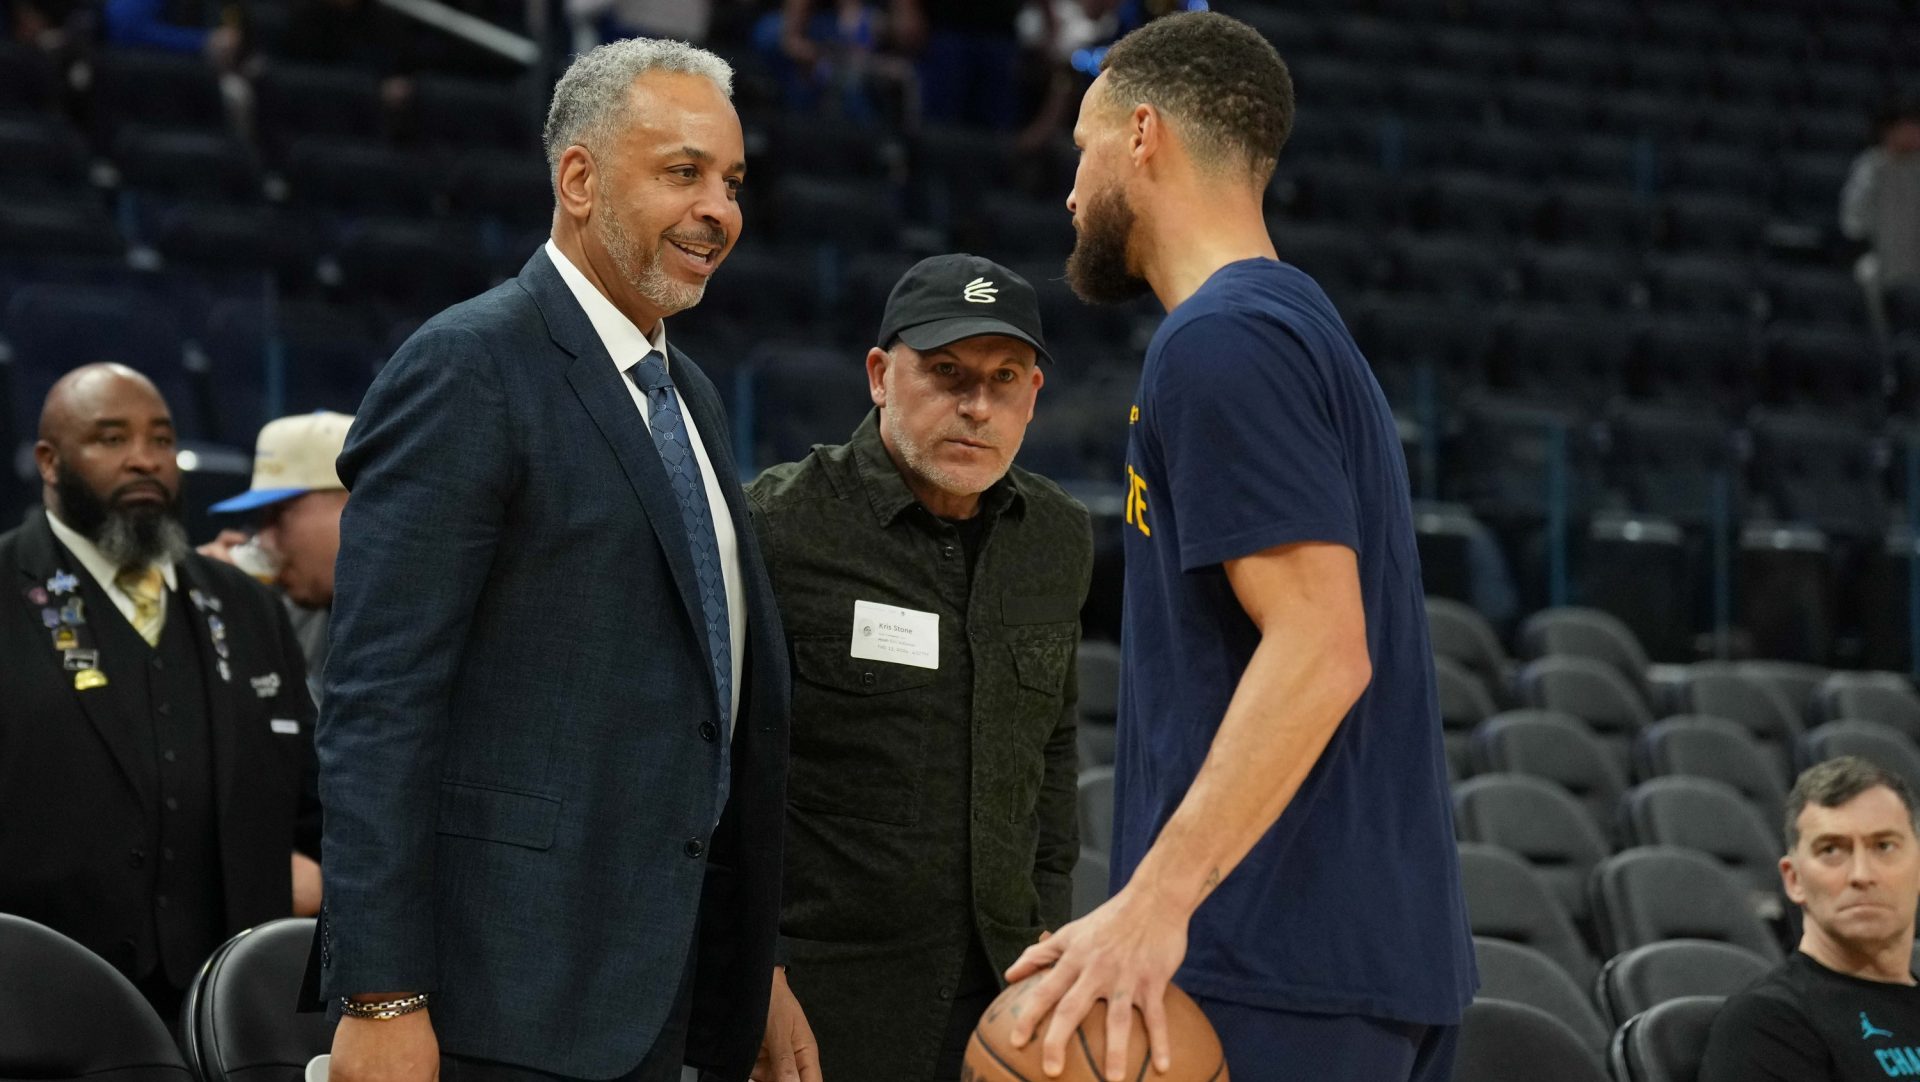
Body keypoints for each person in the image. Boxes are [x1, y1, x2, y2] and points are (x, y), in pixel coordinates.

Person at [998, 13, 1475, 1080]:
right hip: (1338, 954)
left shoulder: (1221, 339)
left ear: (1144, 136)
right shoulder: (1297, 325)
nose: (1069, 192)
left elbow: (1322, 647)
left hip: (1274, 953)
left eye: (1082, 145)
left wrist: (1151, 905)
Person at [312, 38, 792, 1082]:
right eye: (683, 172)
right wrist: (381, 990)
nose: (719, 207)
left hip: (658, 988)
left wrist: (756, 963)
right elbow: (378, 701)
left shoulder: (692, 396)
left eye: (731, 180)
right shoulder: (470, 364)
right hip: (495, 1003)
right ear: (579, 178)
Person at [746, 254, 1092, 1082]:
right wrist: (751, 973)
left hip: (999, 1000)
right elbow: (713, 773)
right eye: (946, 374)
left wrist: (1044, 941)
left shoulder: (1058, 538)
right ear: (879, 374)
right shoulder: (776, 527)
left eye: (1004, 378)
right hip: (818, 1007)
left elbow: (1052, 758)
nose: (976, 407)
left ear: (1035, 392)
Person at [0, 363, 321, 1019]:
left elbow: (311, 802)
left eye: (162, 440)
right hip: (38, 1005)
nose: (144, 461)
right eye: (111, 440)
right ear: (49, 461)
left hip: (232, 1008)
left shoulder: (246, 606)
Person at [1702, 756, 1920, 1082]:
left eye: (1884, 846)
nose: (1862, 874)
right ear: (1794, 880)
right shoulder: (1766, 1024)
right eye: (1832, 850)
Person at [202, 410, 351, 707]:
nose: (264, 538)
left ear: (354, 500)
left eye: (280, 513)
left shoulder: (430, 611)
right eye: (262, 516)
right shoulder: (304, 608)